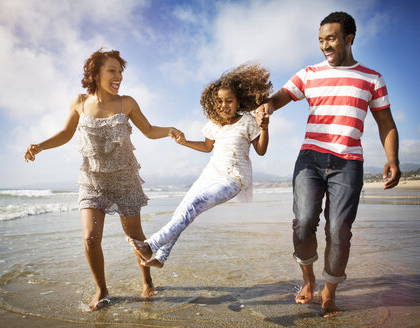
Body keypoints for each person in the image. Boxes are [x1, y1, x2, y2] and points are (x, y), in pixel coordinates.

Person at [255, 12, 401, 317]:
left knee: (339, 231)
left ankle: (329, 292)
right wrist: (266, 105)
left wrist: (392, 159)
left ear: (349, 39)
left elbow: (385, 122)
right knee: (304, 222)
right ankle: (308, 280)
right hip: (310, 159)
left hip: (348, 164)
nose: (325, 45)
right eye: (321, 40)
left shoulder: (372, 78)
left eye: (331, 39)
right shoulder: (309, 73)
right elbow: (281, 96)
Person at [24, 49, 179, 310]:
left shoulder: (126, 103)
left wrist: (170, 130)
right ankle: (102, 289)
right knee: (90, 238)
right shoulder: (80, 102)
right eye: (112, 71)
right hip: (92, 181)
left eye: (120, 71)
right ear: (95, 74)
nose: (118, 76)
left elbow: (149, 130)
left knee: (135, 237)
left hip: (124, 180)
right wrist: (40, 145)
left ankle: (147, 282)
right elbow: (65, 133)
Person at [128, 64, 271, 268]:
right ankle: (160, 257)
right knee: (183, 209)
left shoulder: (248, 121)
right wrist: (184, 142)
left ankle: (151, 245)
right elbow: (206, 147)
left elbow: (261, 150)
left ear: (238, 100)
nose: (224, 105)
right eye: (219, 101)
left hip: (234, 179)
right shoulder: (214, 124)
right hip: (210, 174)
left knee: (195, 203)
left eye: (229, 101)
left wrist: (264, 128)